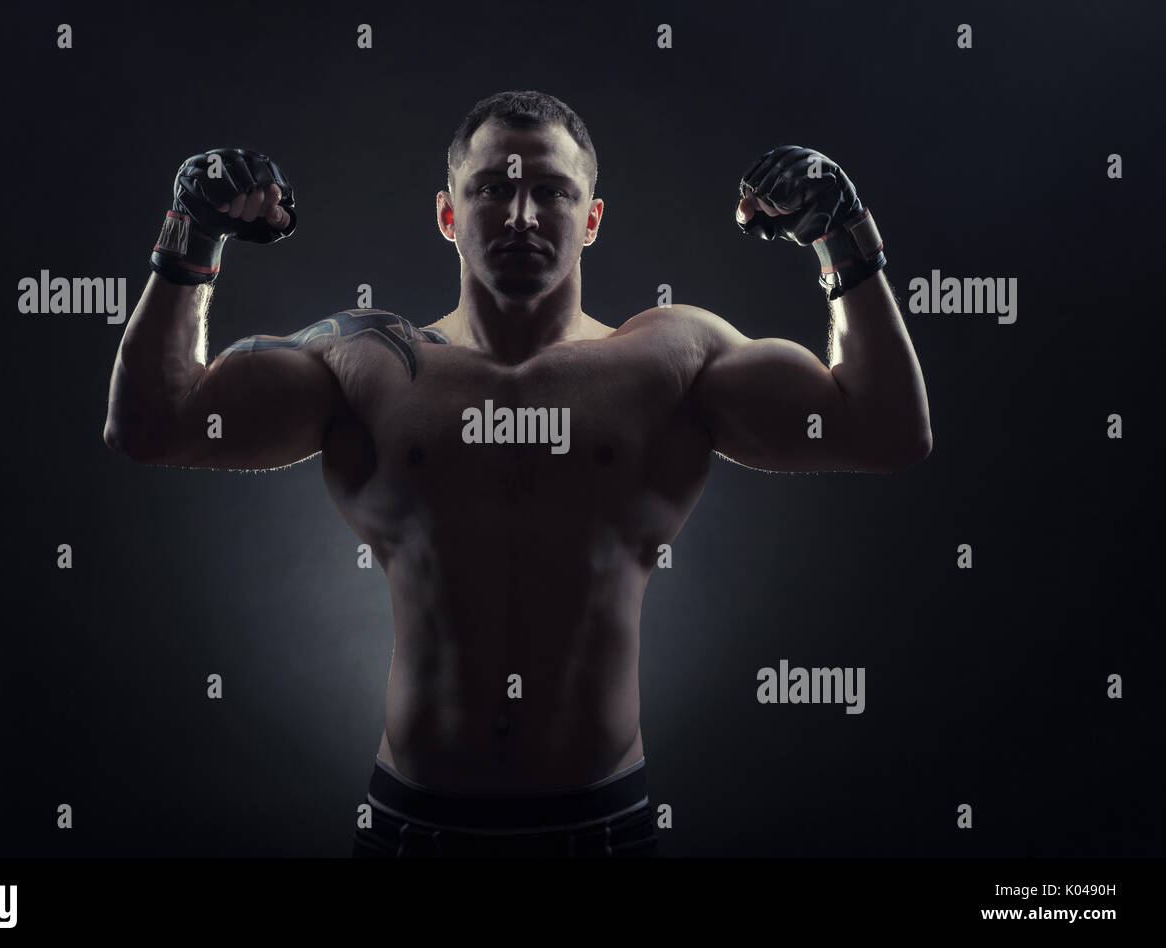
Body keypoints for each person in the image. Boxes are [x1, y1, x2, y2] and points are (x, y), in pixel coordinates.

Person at [103, 90, 931, 858]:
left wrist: (843, 237)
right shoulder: (366, 362)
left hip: (601, 826)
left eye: (554, 191)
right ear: (448, 215)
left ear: (593, 217)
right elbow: (152, 424)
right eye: (492, 191)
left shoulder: (671, 356)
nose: (523, 214)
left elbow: (888, 430)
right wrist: (190, 238)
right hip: (412, 827)